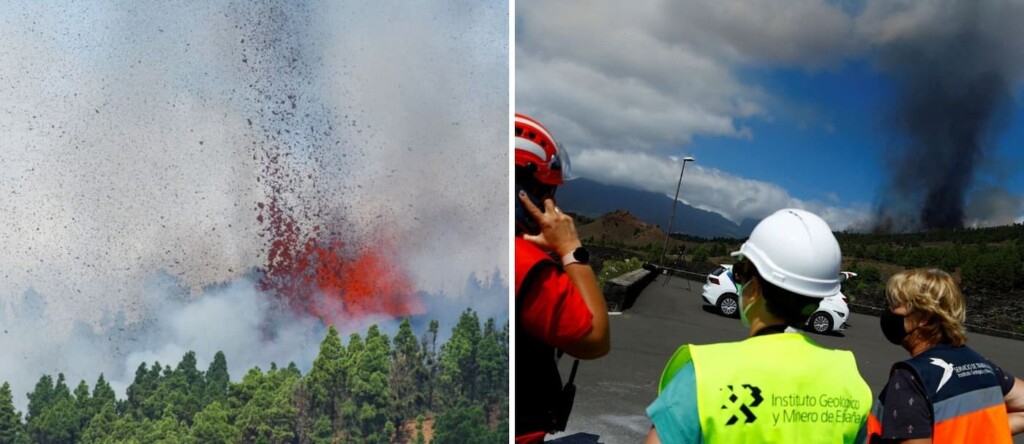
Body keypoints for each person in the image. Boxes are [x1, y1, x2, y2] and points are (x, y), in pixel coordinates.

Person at [646, 208, 872, 443]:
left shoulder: (704, 373)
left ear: (753, 289)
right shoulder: (849, 381)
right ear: (817, 298)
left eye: (740, 272)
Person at [514, 112, 610, 444]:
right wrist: (570, 249)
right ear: (523, 192)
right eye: (548, 192)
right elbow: (595, 340)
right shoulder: (527, 267)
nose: (553, 205)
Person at [867, 268, 1024, 443]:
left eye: (895, 303)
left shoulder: (911, 379)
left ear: (923, 317)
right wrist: (983, 431)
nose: (888, 310)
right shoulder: (982, 365)